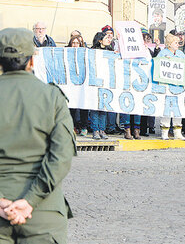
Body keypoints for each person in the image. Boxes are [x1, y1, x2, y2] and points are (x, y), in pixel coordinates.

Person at [0, 27, 76, 242]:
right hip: (43, 212)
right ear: (31, 61)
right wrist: (29, 201)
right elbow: (61, 157)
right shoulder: (52, 97)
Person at [157, 34, 185, 140]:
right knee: (166, 108)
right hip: (167, 86)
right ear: (169, 44)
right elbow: (157, 66)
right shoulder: (163, 53)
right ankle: (164, 132)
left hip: (178, 86)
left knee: (178, 108)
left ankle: (177, 132)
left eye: (178, 43)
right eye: (175, 43)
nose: (178, 45)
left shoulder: (181, 54)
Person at [90, 32, 114, 140]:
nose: (109, 40)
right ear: (100, 40)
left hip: (106, 83)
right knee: (95, 107)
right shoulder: (92, 51)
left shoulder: (110, 52)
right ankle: (95, 130)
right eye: (106, 38)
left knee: (104, 108)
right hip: (95, 82)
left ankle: (102, 130)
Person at [66, 34, 89, 136]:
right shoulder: (65, 53)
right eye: (73, 43)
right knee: (72, 107)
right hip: (71, 84)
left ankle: (84, 127)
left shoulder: (85, 53)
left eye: (77, 43)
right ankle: (72, 126)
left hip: (82, 83)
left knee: (83, 105)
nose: (75, 45)